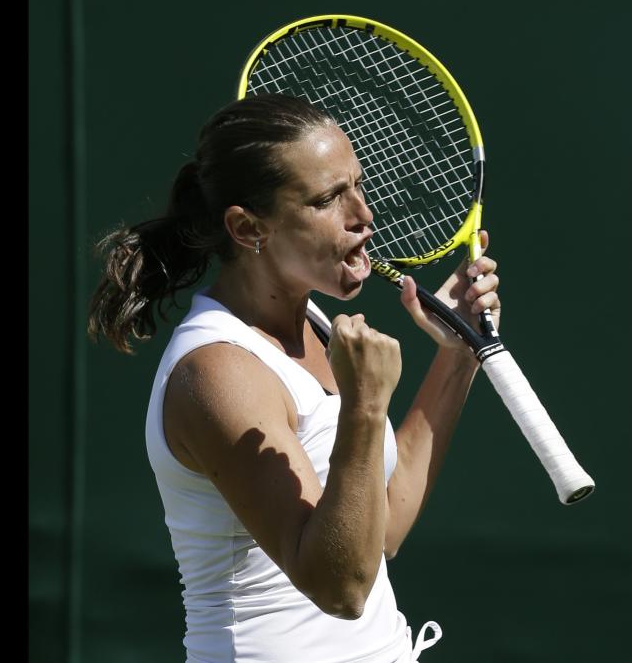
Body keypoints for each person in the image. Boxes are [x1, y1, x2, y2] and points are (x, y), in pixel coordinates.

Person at [87, 94, 501, 662]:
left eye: (357, 184)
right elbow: (342, 587)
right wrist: (364, 408)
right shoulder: (217, 372)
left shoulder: (313, 322)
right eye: (329, 198)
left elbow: (381, 537)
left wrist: (457, 356)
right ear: (248, 227)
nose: (363, 214)